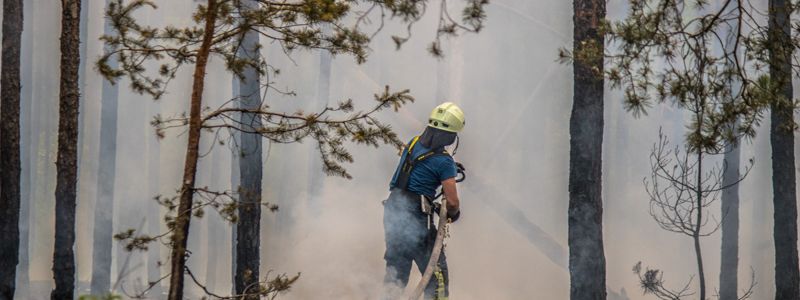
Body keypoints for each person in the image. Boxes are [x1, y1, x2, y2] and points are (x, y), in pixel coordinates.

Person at [383, 102, 465, 300]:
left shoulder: (414, 142)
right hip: (416, 217)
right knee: (436, 276)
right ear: (452, 136)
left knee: (396, 275)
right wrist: (454, 214)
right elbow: (452, 202)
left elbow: (420, 170)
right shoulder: (444, 162)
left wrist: (449, 167)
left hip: (393, 210)